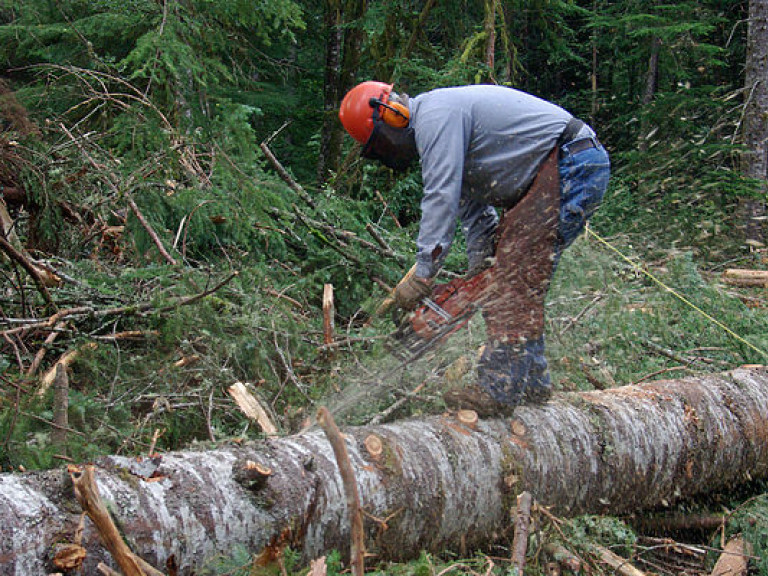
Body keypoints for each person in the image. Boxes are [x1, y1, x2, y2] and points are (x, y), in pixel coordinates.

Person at [338, 81, 610, 415]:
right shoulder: (443, 129)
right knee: (510, 276)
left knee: (514, 279)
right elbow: (475, 212)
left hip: (571, 162)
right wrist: (482, 268)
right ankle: (533, 384)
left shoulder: (435, 117)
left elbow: (441, 196)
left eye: (379, 145)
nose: (386, 154)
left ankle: (499, 389)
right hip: (557, 169)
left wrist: (424, 273)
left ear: (392, 115)